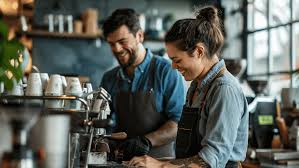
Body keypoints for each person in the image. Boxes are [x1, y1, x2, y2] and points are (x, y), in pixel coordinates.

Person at [127, 6, 248, 168]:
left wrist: (160, 165)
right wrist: (153, 161)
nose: (173, 67)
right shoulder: (196, 86)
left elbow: (209, 161)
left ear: (199, 51)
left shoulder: (224, 89)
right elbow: (190, 157)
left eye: (177, 60)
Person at [100, 8, 186, 161]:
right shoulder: (109, 78)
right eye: (112, 44)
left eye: (122, 42)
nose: (117, 49)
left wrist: (146, 141)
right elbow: (105, 123)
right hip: (122, 162)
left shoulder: (167, 71)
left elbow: (179, 123)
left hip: (160, 161)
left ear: (139, 35)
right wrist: (105, 142)